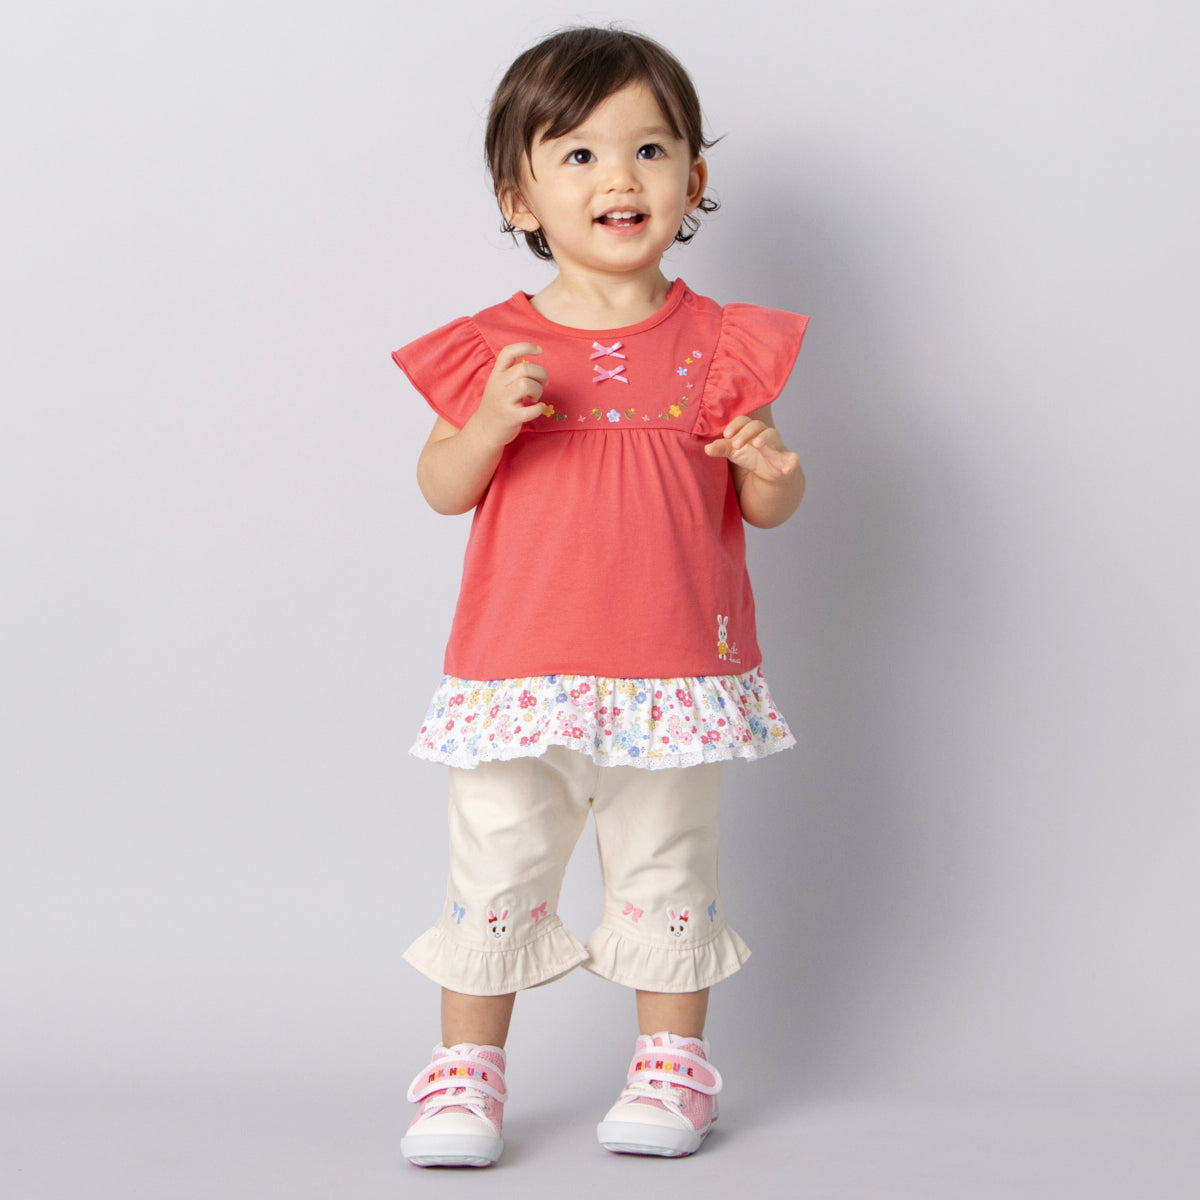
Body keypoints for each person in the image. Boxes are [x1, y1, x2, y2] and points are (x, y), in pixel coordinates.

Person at [392, 26, 809, 1168]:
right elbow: (442, 486)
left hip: (674, 671)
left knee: (669, 871)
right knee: (496, 867)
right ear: (518, 196)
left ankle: (671, 1067)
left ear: (694, 178)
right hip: (518, 672)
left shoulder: (722, 345)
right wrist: (487, 424)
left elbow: (766, 503)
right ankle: (465, 1076)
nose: (618, 176)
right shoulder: (492, 349)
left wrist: (774, 471)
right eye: (576, 154)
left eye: (649, 149)